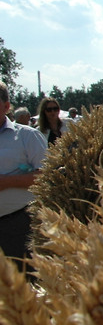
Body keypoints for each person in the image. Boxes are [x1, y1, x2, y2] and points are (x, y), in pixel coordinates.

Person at [0, 81, 48, 274]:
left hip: (18, 223)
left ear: (6, 106)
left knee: (24, 282)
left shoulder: (28, 137)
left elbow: (45, 176)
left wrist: (5, 183)